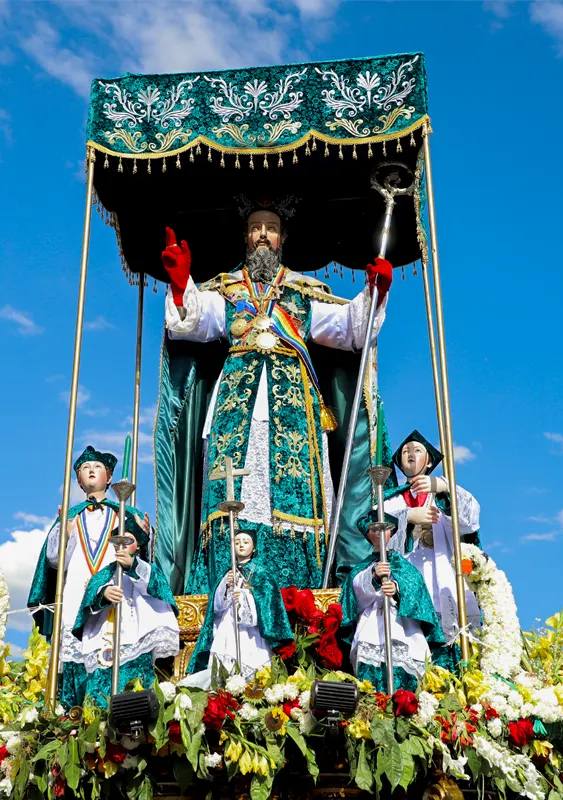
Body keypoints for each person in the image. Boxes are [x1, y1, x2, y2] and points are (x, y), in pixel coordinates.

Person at [156, 198, 394, 594]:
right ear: (246, 238)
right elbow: (192, 323)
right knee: (232, 495)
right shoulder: (226, 290)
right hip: (236, 404)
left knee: (297, 500)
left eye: (270, 227)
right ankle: (222, 585)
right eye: (255, 228)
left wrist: (374, 291)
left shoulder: (303, 291)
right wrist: (182, 285)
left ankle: (303, 592)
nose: (262, 234)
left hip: (294, 407)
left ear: (282, 238)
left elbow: (351, 330)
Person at [25, 445, 151, 705]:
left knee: (116, 648)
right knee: (76, 654)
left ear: (109, 477)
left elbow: (141, 556)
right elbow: (53, 561)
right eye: (85, 468)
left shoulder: (126, 512)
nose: (91, 471)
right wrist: (64, 532)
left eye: (97, 467)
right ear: (79, 481)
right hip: (76, 595)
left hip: (116, 590)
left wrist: (145, 536)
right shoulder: (71, 516)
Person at [381, 430, 481, 669]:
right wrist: (406, 517)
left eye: (417, 451)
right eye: (405, 452)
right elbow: (374, 532)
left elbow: (470, 519)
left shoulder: (442, 493)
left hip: (442, 570)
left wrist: (443, 485)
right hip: (409, 577)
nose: (411, 455)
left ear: (429, 462)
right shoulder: (390, 500)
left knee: (454, 637)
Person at [72, 526, 179, 709]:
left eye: (128, 541)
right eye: (118, 542)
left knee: (134, 690)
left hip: (135, 641)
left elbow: (158, 588)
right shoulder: (104, 575)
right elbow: (88, 601)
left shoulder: (146, 569)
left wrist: (132, 567)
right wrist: (103, 594)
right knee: (99, 694)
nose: (122, 546)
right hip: (105, 643)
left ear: (138, 546)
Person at [338, 512, 444, 693]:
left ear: (392, 532)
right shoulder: (361, 568)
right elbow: (352, 596)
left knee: (406, 679)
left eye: (384, 528)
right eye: (374, 529)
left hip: (403, 628)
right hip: (371, 626)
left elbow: (416, 590)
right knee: (371, 682)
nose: (379, 533)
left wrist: (397, 589)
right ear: (368, 535)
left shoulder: (404, 566)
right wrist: (371, 576)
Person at [181, 529, 293, 689]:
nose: (241, 545)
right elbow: (217, 607)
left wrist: (244, 597)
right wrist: (225, 587)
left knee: (254, 668)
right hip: (229, 626)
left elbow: (268, 603)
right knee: (224, 668)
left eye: (246, 542)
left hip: (252, 633)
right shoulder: (226, 573)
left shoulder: (261, 573)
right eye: (237, 542)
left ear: (254, 547)